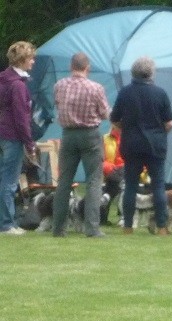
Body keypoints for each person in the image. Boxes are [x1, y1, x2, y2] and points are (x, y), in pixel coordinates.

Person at [110, 56, 172, 235]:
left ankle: (128, 226)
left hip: (131, 144)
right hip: (155, 145)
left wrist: (126, 129)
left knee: (130, 185)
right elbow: (169, 123)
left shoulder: (125, 93)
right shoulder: (160, 93)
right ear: (151, 73)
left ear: (133, 73)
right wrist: (160, 133)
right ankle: (162, 227)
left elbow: (114, 118)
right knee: (158, 186)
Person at [51, 52, 110, 237]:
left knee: (64, 181)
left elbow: (57, 105)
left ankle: (58, 228)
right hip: (90, 135)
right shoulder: (96, 88)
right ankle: (92, 228)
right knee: (94, 180)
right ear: (88, 68)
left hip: (68, 135)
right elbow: (105, 113)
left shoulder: (59, 85)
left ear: (71, 66)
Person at [0, 41, 36, 235]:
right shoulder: (18, 86)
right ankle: (6, 224)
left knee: (3, 178)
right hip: (12, 135)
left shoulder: (3, 79)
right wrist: (29, 143)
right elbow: (21, 118)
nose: (33, 62)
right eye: (31, 58)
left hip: (1, 133)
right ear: (22, 60)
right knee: (9, 180)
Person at [102, 125, 124, 203]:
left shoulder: (133, 139)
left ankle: (107, 196)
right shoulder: (104, 139)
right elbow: (99, 160)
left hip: (127, 173)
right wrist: (109, 168)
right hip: (109, 174)